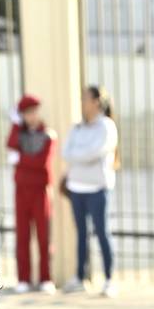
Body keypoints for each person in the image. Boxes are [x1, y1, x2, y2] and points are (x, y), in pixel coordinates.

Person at [62, 85, 119, 297]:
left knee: (102, 232)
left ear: (96, 102)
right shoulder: (77, 128)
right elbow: (66, 153)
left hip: (98, 189)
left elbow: (96, 152)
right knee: (81, 234)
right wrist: (81, 155)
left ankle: (109, 279)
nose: (82, 102)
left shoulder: (106, 126)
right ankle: (80, 277)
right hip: (77, 188)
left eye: (85, 98)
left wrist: (80, 155)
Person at [7, 93, 56, 293]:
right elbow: (10, 143)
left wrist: (20, 159)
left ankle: (46, 278)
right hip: (22, 191)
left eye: (33, 112)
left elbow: (42, 164)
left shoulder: (48, 135)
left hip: (40, 191)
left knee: (44, 236)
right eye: (26, 113)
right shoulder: (19, 135)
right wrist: (16, 124)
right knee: (23, 235)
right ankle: (24, 278)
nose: (31, 116)